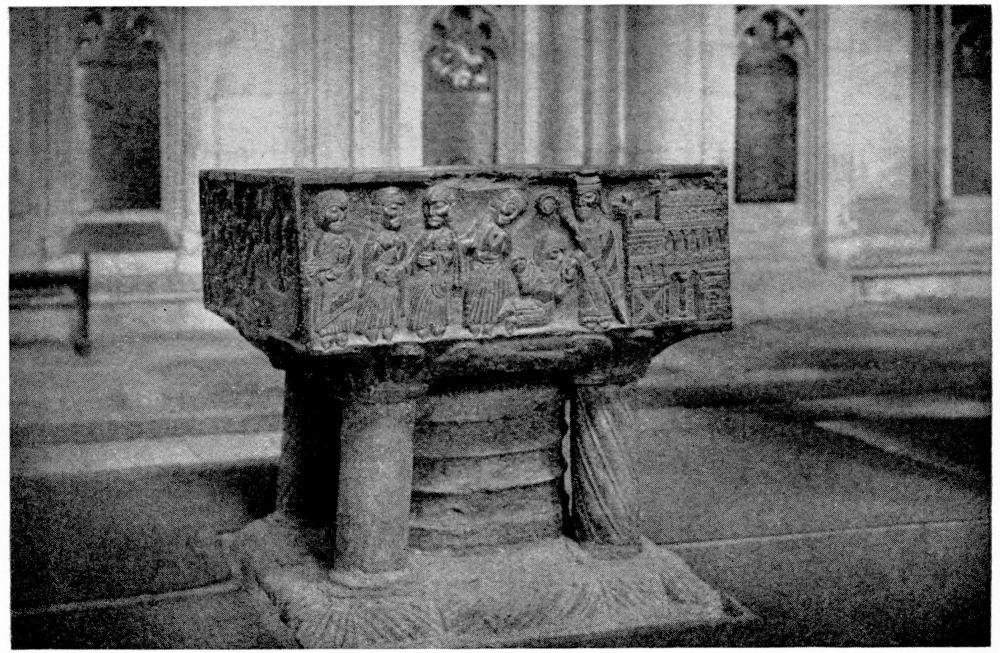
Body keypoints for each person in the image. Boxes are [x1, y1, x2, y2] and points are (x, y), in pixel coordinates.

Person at [459, 189, 526, 336]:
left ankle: (489, 322)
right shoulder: (482, 224)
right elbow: (465, 243)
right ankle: (474, 322)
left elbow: (507, 252)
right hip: (479, 267)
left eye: (513, 217)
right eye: (506, 213)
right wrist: (469, 244)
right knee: (476, 295)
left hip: (496, 269)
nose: (508, 219)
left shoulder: (504, 234)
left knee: (493, 296)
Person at [304, 189, 358, 348]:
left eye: (344, 211)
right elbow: (312, 263)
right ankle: (326, 332)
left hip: (344, 281)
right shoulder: (318, 239)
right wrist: (322, 271)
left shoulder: (348, 240)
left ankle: (341, 331)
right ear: (322, 215)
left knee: (343, 305)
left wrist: (346, 272)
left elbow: (353, 261)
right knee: (326, 305)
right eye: (334, 211)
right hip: (326, 283)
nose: (341, 217)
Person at [355, 186, 409, 343]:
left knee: (388, 331)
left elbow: (403, 261)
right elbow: (367, 266)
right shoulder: (374, 239)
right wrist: (380, 271)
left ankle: (387, 326)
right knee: (372, 330)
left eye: (401, 209)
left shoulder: (400, 238)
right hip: (376, 287)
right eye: (394, 208)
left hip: (392, 287)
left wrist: (398, 269)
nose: (400, 214)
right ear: (380, 211)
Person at [406, 184, 459, 338]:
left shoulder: (448, 234)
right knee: (421, 311)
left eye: (438, 206)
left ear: (449, 208)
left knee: (438, 308)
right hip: (422, 280)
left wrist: (436, 258)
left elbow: (453, 257)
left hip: (439, 280)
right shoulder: (423, 235)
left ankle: (438, 323)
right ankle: (421, 324)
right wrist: (414, 261)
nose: (430, 212)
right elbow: (411, 256)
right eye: (427, 207)